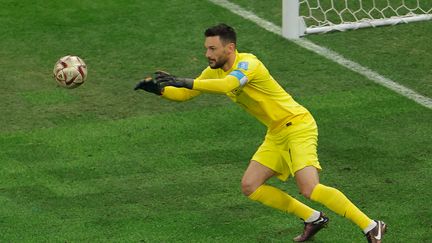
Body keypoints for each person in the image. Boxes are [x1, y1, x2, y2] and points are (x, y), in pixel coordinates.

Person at [134, 23, 387, 242]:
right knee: (251, 186)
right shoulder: (214, 71)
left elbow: (227, 86)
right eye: (206, 48)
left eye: (212, 48)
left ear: (229, 48)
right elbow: (186, 94)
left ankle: (371, 226)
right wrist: (158, 90)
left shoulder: (248, 63)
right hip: (277, 131)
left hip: (297, 125)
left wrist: (186, 80)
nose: (207, 53)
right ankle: (314, 218)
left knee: (310, 188)